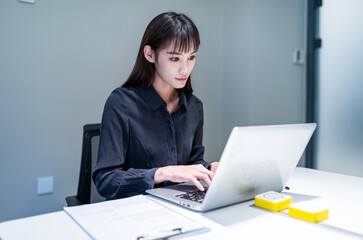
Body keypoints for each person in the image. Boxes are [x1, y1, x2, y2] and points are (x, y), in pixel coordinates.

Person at [92, 12, 219, 200]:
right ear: (150, 54)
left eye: (191, 57)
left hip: (178, 207)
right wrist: (163, 173)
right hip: (135, 211)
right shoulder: (121, 103)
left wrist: (209, 167)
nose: (185, 69)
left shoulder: (194, 106)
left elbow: (192, 162)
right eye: (175, 59)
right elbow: (106, 180)